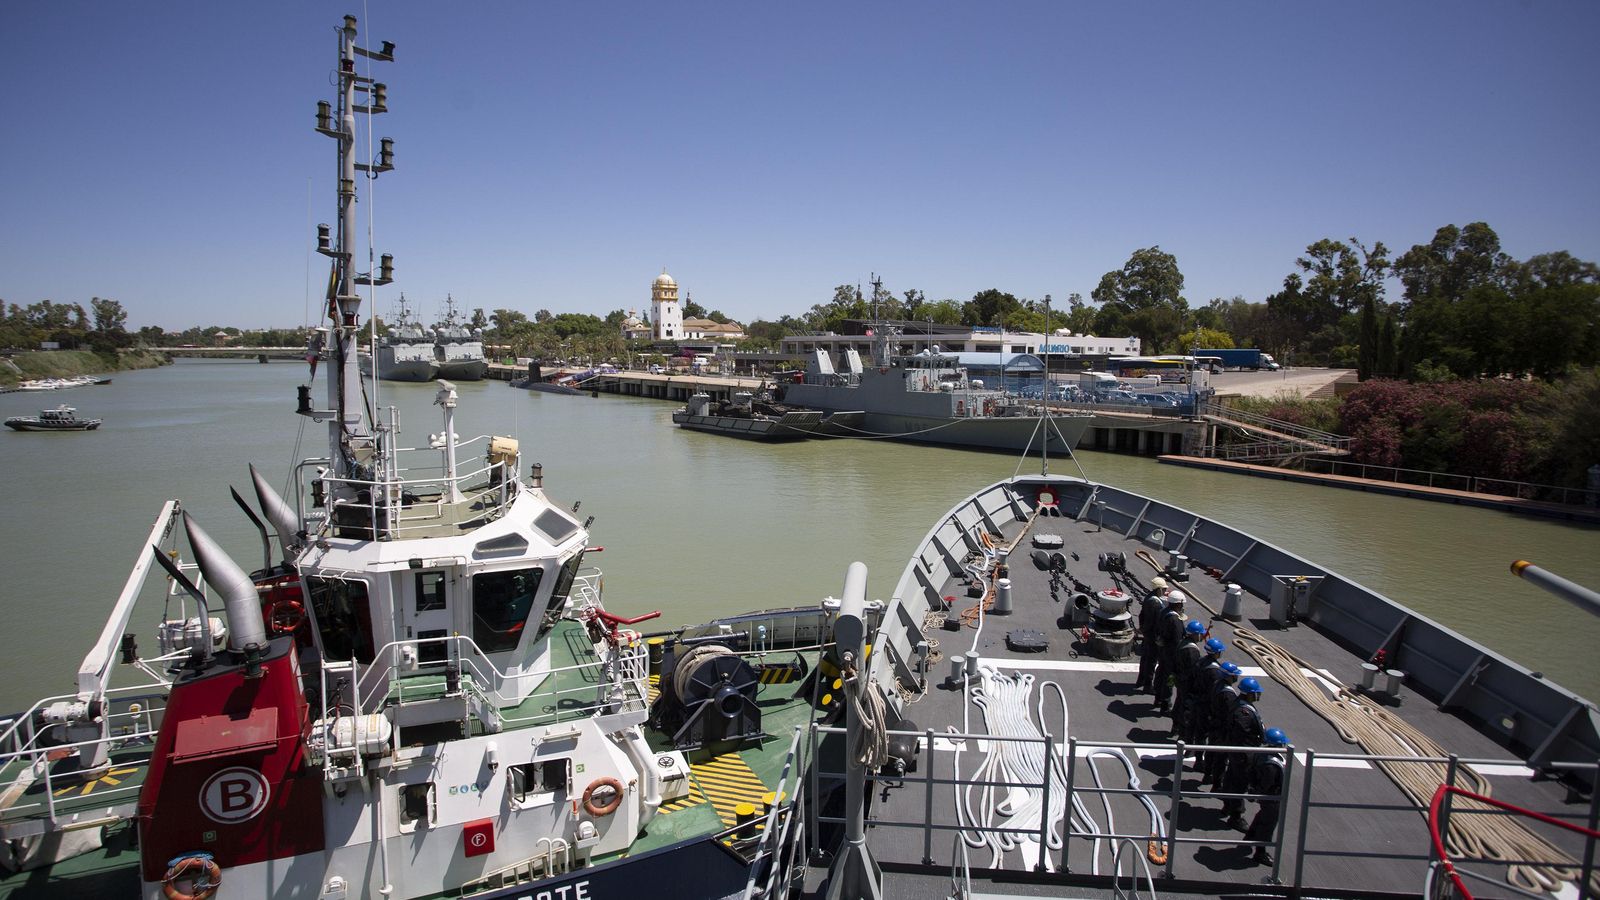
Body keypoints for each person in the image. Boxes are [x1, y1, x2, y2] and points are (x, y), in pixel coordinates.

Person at [1220, 676, 1264, 830]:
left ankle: (1227, 805)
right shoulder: (1244, 712)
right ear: (1250, 694)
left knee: (1231, 777)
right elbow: (1241, 733)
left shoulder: (1239, 705)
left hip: (1238, 752)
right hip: (1243, 754)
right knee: (1239, 783)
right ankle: (1236, 816)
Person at [1246, 728, 1290, 865]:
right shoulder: (1271, 764)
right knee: (1268, 824)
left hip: (1266, 796)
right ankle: (1260, 853)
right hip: (1271, 797)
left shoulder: (1261, 754)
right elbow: (1267, 783)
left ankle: (1251, 834)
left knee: (1263, 815)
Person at [1203, 661, 1242, 785]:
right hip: (1222, 728)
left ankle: (1207, 773)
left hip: (1213, 723)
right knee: (1221, 756)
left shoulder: (1217, 685)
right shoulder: (1228, 694)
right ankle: (1217, 782)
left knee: (1210, 749)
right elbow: (1231, 713)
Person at [1150, 589, 1188, 715]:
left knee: (1160, 673)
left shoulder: (1163, 612)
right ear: (1178, 604)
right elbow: (1178, 640)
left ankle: (1158, 698)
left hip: (1163, 651)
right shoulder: (1175, 620)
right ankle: (1166, 705)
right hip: (1172, 655)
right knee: (1170, 679)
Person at [1185, 637, 1226, 750]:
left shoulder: (1200, 661)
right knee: (1202, 731)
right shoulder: (1214, 670)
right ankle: (1198, 759)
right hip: (1205, 703)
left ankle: (1188, 748)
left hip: (1195, 698)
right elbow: (1214, 690)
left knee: (1191, 725)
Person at [1171, 620, 1207, 738]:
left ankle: (1175, 725)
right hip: (1187, 682)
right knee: (1186, 708)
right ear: (1195, 634)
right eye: (1200, 634)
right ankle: (1183, 733)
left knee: (1179, 702)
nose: (1201, 636)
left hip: (1179, 679)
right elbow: (1193, 670)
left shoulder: (1182, 643)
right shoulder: (1192, 650)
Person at [1133, 577, 1169, 692]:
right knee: (1151, 661)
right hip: (1153, 636)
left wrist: (1142, 630)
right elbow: (1156, 622)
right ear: (1158, 589)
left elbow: (1141, 616)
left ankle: (1140, 680)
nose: (1165, 591)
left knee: (1145, 658)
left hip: (1147, 635)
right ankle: (1148, 685)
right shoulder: (1156, 604)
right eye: (1163, 589)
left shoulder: (1148, 598)